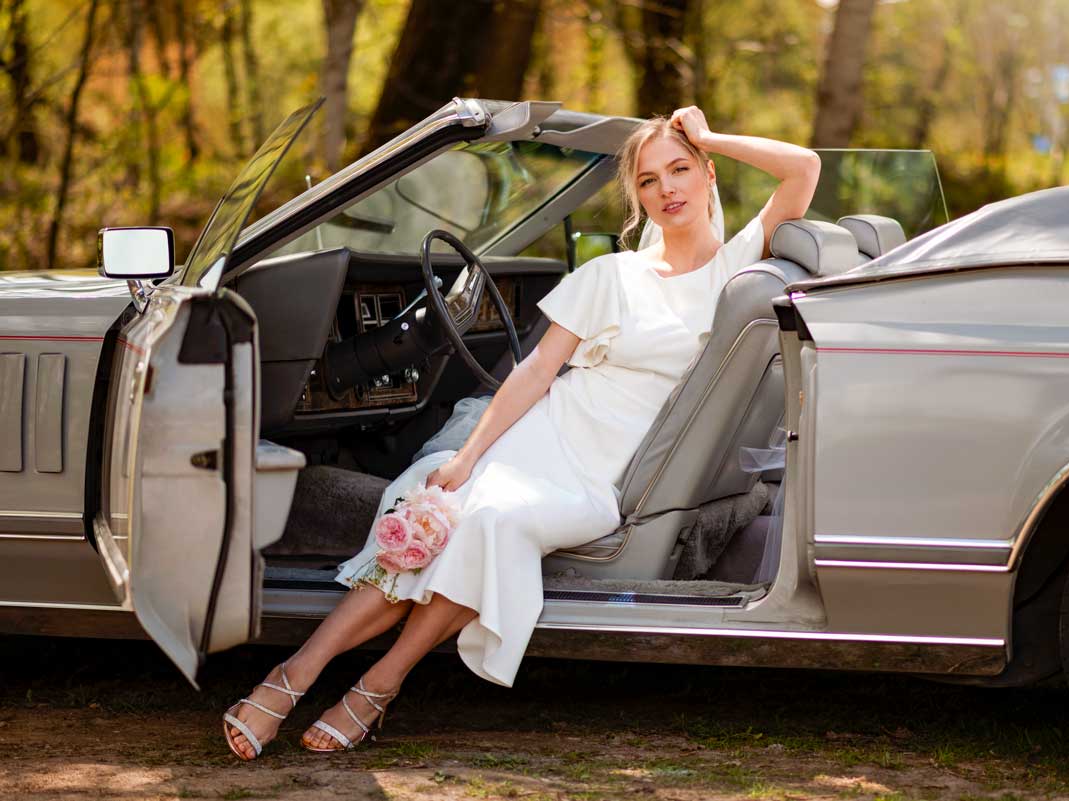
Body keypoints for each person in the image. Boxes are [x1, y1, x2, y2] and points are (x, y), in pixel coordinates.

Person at [222, 106, 821, 759]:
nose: (667, 189)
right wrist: (467, 456)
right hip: (538, 439)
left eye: (680, 170)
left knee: (493, 522)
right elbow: (537, 371)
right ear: (637, 197)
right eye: (648, 180)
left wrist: (707, 136)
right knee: (441, 512)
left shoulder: (736, 269)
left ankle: (378, 681)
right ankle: (298, 674)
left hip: (598, 478)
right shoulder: (609, 275)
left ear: (709, 175)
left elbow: (803, 169)